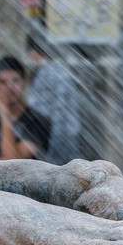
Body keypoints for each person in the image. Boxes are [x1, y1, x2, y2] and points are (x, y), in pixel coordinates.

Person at [25, 33, 80, 165]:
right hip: (61, 140)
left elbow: (57, 114)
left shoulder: (48, 74)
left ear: (32, 53)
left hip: (54, 143)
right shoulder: (58, 72)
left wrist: (52, 154)